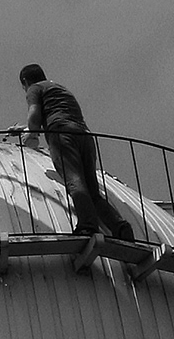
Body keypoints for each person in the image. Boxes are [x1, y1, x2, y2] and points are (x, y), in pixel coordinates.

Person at [17, 63, 135, 240]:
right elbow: (57, 113)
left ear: (25, 81)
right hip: (84, 136)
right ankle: (120, 227)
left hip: (62, 136)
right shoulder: (58, 88)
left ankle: (87, 226)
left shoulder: (34, 89)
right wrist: (22, 129)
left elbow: (35, 114)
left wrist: (31, 134)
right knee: (92, 191)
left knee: (74, 181)